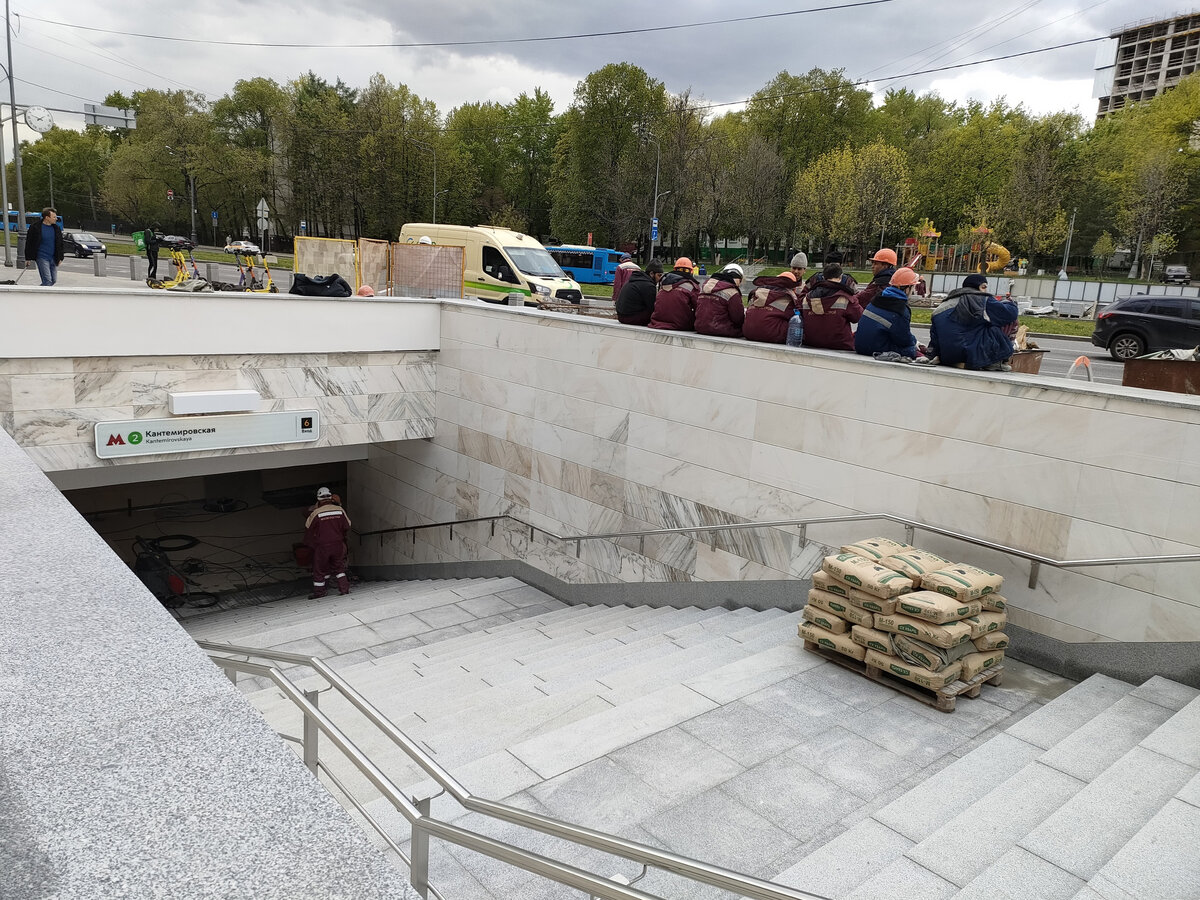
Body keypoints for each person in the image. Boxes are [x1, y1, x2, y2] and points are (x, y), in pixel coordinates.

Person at [927, 274, 1019, 371]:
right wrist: (1009, 302)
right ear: (980, 286)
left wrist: (930, 355)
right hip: (972, 355)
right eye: (984, 287)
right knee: (1010, 321)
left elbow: (934, 338)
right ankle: (997, 361)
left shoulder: (942, 306)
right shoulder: (981, 299)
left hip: (947, 356)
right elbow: (1010, 313)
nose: (986, 291)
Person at [854, 267, 920, 359]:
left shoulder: (876, 299)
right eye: (913, 287)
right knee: (910, 350)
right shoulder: (900, 309)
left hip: (859, 346)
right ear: (907, 288)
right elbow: (903, 340)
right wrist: (915, 342)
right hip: (876, 349)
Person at [802, 263, 863, 351]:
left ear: (824, 277)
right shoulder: (845, 297)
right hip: (840, 345)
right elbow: (858, 317)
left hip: (811, 342)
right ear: (841, 277)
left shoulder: (807, 297)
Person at [303, 487, 351, 598]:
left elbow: (308, 528)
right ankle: (344, 589)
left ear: (319, 499)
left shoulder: (316, 513)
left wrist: (310, 544)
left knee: (319, 569)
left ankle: (320, 593)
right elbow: (347, 526)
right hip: (338, 544)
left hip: (322, 546)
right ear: (330, 497)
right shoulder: (340, 510)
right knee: (339, 568)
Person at [743, 270, 801, 344]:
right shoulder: (788, 298)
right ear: (793, 287)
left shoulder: (758, 292)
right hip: (772, 336)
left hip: (748, 333)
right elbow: (796, 317)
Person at [648, 257, 701, 331]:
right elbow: (698, 308)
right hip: (681, 324)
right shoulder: (692, 285)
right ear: (691, 271)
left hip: (657, 322)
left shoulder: (663, 282)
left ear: (675, 269)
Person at [694, 263, 745, 338]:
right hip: (721, 330)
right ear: (738, 279)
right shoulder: (732, 292)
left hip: (700, 327)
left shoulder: (705, 287)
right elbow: (738, 319)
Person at [615, 259, 662, 325]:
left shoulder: (632, 280)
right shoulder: (648, 286)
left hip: (621, 316)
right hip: (632, 318)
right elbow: (653, 308)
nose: (660, 278)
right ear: (651, 274)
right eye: (659, 275)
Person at [25, 207, 64, 286]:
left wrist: (61, 257)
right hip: (42, 257)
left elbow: (60, 243)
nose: (56, 219)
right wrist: (28, 258)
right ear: (47, 217)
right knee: (47, 280)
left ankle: (38, 292)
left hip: (53, 257)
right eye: (54, 217)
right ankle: (43, 297)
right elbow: (29, 242)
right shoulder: (35, 227)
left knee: (53, 280)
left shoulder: (56, 228)